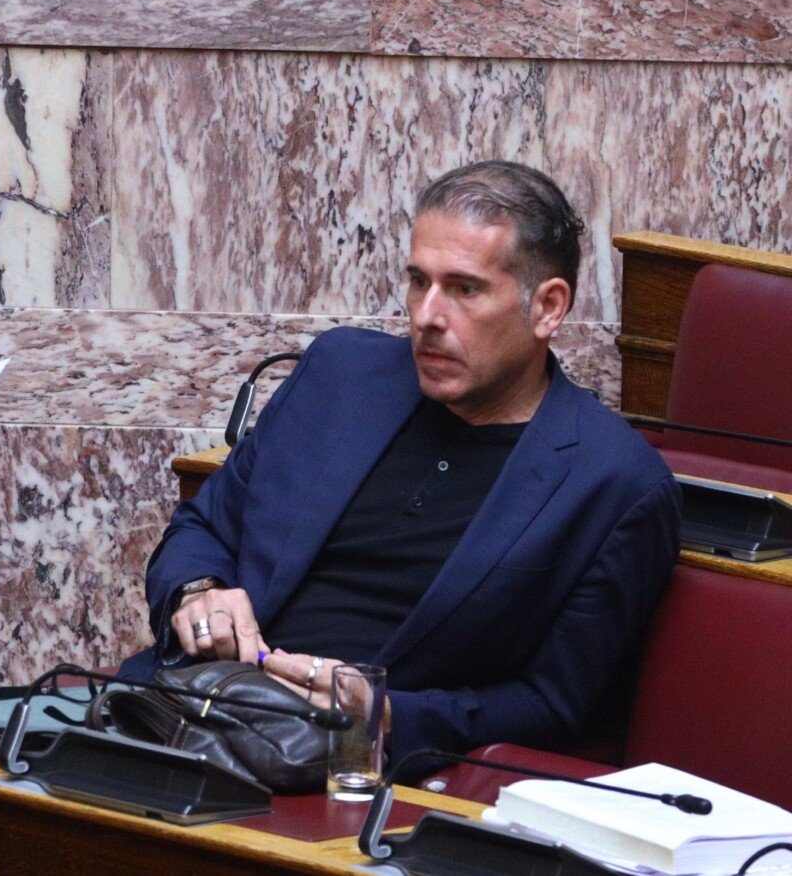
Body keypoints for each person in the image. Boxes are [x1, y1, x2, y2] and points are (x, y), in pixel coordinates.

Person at [121, 161, 681, 772]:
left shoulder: (613, 482)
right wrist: (199, 592)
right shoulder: (341, 375)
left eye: (465, 289)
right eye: (419, 281)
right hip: (181, 713)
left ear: (547, 307)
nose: (426, 316)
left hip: (355, 774)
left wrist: (385, 714)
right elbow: (202, 527)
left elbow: (554, 706)